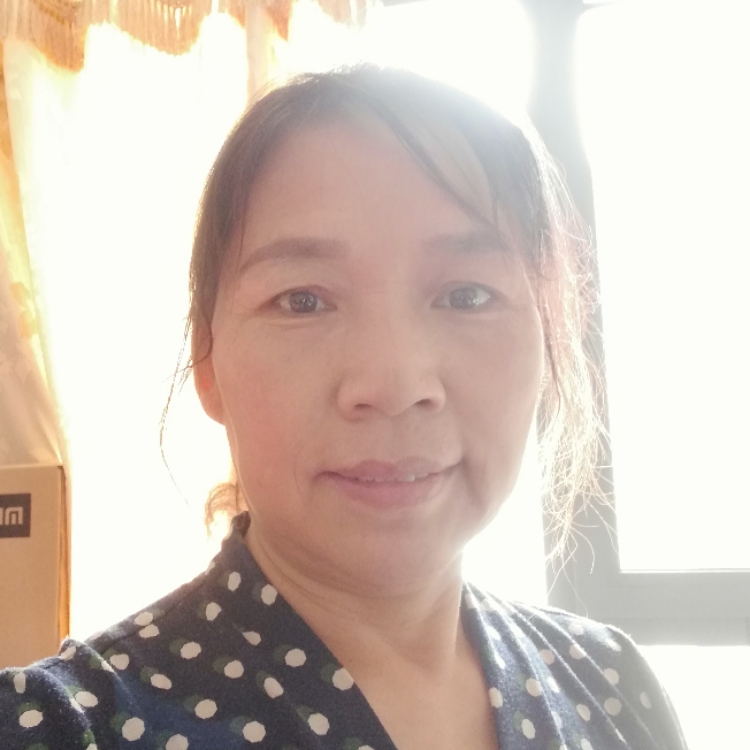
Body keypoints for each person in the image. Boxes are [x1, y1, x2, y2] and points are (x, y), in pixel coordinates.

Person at [0, 66, 687, 750]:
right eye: (303, 300)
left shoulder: (610, 687)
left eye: (467, 296)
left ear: (550, 337)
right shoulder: (60, 728)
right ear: (207, 358)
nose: (393, 383)